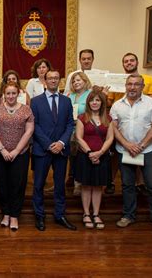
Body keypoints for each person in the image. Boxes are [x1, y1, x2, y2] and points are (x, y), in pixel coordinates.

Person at [110, 74, 152, 236]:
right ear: (125, 86)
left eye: (136, 84)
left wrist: (141, 145)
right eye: (130, 84)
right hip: (125, 150)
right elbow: (114, 128)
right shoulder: (117, 105)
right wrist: (127, 145)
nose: (132, 87)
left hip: (147, 150)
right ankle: (129, 215)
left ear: (142, 87)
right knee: (128, 185)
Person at [105, 53, 152, 195]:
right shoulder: (116, 80)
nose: (129, 63)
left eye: (131, 61)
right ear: (123, 64)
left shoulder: (149, 79)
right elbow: (110, 102)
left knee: (141, 157)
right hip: (120, 122)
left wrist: (135, 93)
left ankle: (140, 183)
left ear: (136, 62)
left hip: (142, 122)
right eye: (126, 61)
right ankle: (110, 181)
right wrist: (104, 95)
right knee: (116, 155)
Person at [31, 70, 76, 231]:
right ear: (45, 81)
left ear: (60, 81)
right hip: (42, 150)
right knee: (38, 185)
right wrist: (49, 144)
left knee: (60, 185)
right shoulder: (36, 102)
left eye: (56, 78)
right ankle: (39, 215)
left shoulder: (66, 101)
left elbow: (70, 124)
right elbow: (33, 125)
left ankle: (59, 215)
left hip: (61, 150)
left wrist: (62, 143)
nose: (53, 81)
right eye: (50, 78)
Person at [0, 82, 34, 230]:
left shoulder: (26, 110)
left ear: (18, 93)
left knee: (18, 184)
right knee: (2, 184)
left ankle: (14, 216)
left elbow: (29, 131)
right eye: (8, 93)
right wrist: (2, 150)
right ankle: (6, 213)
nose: (11, 96)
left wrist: (15, 151)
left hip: (20, 153)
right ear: (4, 94)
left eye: (13, 93)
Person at [75, 89, 114, 230]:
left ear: (102, 102)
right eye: (92, 100)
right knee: (86, 186)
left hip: (102, 157)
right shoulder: (82, 117)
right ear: (88, 102)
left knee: (98, 186)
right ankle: (86, 214)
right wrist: (90, 153)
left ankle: (96, 214)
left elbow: (110, 138)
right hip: (85, 156)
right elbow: (79, 138)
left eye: (97, 100)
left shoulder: (108, 118)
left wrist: (100, 152)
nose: (94, 103)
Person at [66, 71, 93, 195]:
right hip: (71, 131)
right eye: (73, 81)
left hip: (85, 131)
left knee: (84, 158)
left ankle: (84, 183)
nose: (76, 82)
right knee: (74, 158)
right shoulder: (69, 96)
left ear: (85, 81)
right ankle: (76, 182)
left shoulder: (90, 95)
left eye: (78, 80)